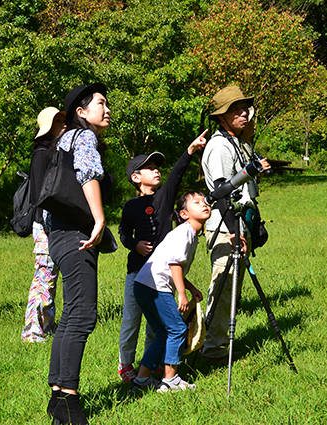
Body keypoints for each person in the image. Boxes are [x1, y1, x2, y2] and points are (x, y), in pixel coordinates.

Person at [117, 131, 207, 383]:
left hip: (163, 274)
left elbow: (176, 175)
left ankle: (153, 365)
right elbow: (123, 233)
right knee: (131, 320)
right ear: (136, 177)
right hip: (138, 271)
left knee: (156, 327)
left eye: (157, 167)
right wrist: (135, 245)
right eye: (150, 168)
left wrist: (189, 151)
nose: (157, 171)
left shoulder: (164, 199)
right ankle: (126, 366)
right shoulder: (130, 206)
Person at [46, 84, 110, 425]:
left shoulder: (61, 142)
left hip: (59, 234)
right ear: (81, 112)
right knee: (83, 314)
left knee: (71, 314)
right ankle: (69, 400)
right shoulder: (82, 138)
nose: (108, 108)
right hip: (77, 235)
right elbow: (87, 174)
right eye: (101, 103)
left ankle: (58, 396)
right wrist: (99, 219)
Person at [200, 86, 270, 362]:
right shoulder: (219, 146)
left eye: (244, 108)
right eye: (235, 109)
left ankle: (217, 346)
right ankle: (211, 349)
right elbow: (220, 193)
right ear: (221, 116)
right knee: (223, 288)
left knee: (232, 289)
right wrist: (233, 232)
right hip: (225, 227)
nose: (243, 113)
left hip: (237, 225)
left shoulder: (236, 142)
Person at [130, 190, 209, 393]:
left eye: (205, 201)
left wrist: (190, 288)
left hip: (143, 286)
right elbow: (174, 264)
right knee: (177, 329)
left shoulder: (190, 234)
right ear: (184, 214)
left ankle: (141, 380)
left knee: (164, 333)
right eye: (197, 202)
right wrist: (181, 293)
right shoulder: (184, 233)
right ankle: (170, 379)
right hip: (155, 287)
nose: (204, 204)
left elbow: (175, 267)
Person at [21, 107, 65, 343]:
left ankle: (47, 326)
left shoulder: (55, 153)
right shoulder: (41, 154)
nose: (63, 124)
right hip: (44, 224)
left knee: (51, 277)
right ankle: (32, 331)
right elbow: (40, 195)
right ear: (48, 126)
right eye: (58, 121)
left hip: (54, 224)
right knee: (43, 277)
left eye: (63, 120)